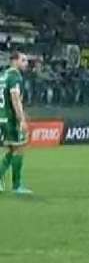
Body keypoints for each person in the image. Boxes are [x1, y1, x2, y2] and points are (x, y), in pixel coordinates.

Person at [0, 51, 32, 194]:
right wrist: (22, 119)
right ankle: (17, 186)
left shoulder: (3, 75)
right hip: (11, 119)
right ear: (15, 61)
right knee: (19, 148)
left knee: (11, 149)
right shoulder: (15, 76)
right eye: (23, 60)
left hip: (2, 117)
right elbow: (15, 98)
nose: (26, 63)